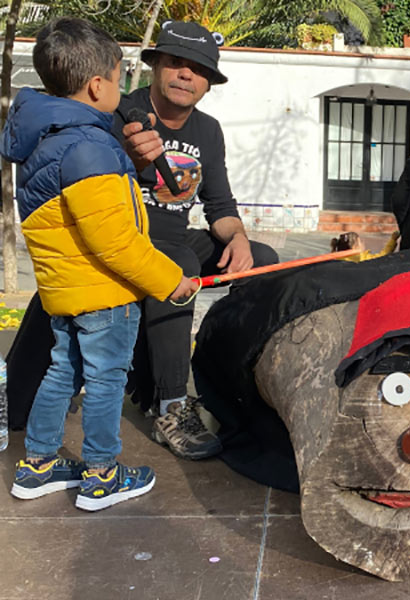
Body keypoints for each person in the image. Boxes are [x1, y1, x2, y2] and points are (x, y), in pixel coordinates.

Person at [2, 18, 197, 510]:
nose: (121, 87)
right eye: (118, 76)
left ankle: (39, 465)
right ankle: (103, 473)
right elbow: (114, 243)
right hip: (104, 293)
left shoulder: (48, 139)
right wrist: (170, 281)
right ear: (97, 85)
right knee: (106, 380)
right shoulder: (89, 148)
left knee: (61, 373)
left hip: (65, 289)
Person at [114, 21, 279, 460]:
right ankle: (170, 406)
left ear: (208, 83)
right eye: (175, 63)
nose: (186, 75)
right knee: (180, 263)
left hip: (178, 238)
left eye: (198, 69)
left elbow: (220, 205)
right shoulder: (123, 114)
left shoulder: (208, 131)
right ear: (155, 67)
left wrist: (239, 239)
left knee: (263, 260)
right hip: (126, 241)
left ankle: (234, 378)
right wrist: (124, 159)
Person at [330, 231, 399, 261]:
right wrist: (393, 240)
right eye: (360, 242)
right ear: (354, 247)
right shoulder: (362, 258)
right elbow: (383, 256)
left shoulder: (335, 258)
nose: (363, 243)